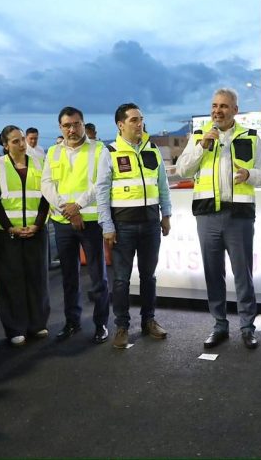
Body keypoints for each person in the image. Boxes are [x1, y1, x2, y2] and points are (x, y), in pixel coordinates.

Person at [176, 88, 261, 349]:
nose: (218, 110)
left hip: (239, 216)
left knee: (243, 274)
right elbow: (183, 169)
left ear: (235, 110)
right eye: (215, 105)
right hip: (207, 215)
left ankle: (247, 327)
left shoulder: (250, 137)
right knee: (212, 273)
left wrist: (249, 175)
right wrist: (201, 146)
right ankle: (219, 325)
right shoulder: (199, 136)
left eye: (224, 106)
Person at [97, 103, 171, 348]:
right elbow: (102, 191)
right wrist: (107, 225)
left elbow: (162, 185)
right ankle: (122, 326)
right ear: (120, 124)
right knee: (121, 280)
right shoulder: (110, 151)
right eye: (134, 120)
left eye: (141, 119)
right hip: (123, 226)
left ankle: (149, 321)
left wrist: (166, 214)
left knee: (149, 277)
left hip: (150, 223)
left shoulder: (152, 149)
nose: (139, 124)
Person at [41, 106, 110, 344]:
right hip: (62, 222)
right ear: (60, 127)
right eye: (67, 125)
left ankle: (101, 323)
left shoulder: (99, 149)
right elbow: (47, 184)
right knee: (69, 277)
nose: (72, 129)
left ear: (83, 124)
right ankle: (72, 322)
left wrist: (77, 206)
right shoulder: (53, 152)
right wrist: (67, 210)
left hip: (90, 221)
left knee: (97, 275)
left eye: (76, 124)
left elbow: (100, 183)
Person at [0, 125, 51, 347]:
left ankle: (37, 324)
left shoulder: (40, 163)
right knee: (11, 281)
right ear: (5, 145)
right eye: (15, 141)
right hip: (8, 234)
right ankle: (15, 328)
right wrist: (8, 227)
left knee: (37, 278)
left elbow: (46, 197)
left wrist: (38, 224)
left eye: (22, 139)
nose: (22, 144)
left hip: (36, 230)